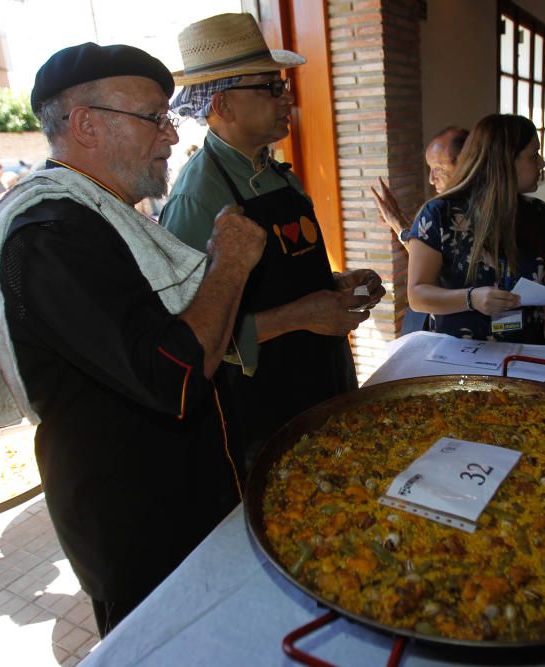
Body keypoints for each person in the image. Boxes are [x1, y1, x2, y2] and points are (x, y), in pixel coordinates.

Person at [0, 42, 266, 635]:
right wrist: (228, 264)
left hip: (185, 506)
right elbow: (175, 377)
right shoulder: (52, 237)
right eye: (155, 118)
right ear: (85, 125)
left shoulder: (105, 215)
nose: (171, 136)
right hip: (141, 531)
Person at [161, 13, 385, 460]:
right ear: (222, 104)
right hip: (263, 411)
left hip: (324, 382)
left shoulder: (281, 177)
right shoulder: (197, 198)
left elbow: (280, 274)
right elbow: (185, 338)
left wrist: (336, 284)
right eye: (271, 88)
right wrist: (300, 315)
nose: (287, 99)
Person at [407, 113, 545, 342]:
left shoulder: (539, 214)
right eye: (534, 155)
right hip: (459, 355)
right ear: (504, 161)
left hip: (525, 350)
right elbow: (417, 295)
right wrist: (471, 299)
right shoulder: (439, 215)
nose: (542, 163)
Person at [370, 126, 468, 334]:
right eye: (429, 169)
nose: (431, 179)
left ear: (465, 164)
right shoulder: (438, 211)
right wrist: (402, 226)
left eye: (438, 169)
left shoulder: (442, 212)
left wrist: (399, 224)